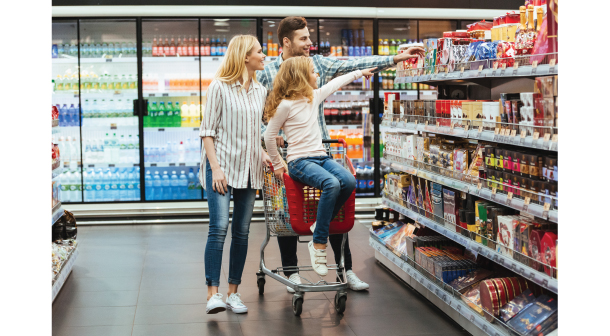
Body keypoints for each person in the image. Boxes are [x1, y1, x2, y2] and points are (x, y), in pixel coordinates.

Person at [258, 16, 424, 291]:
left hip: (322, 148)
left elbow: (352, 65)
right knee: (286, 215)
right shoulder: (269, 71)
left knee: (336, 203)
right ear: (286, 42)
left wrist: (395, 59)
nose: (310, 44)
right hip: (291, 155)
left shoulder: (318, 65)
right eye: (303, 39)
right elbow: (260, 111)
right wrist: (270, 139)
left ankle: (345, 270)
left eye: (310, 38)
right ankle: (292, 273)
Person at [264, 56, 376, 275]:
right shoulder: (285, 105)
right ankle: (319, 243)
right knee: (331, 184)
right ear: (301, 77)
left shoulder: (313, 97)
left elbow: (337, 83)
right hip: (298, 161)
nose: (317, 76)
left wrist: (360, 73)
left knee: (349, 181)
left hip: (321, 157)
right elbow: (269, 136)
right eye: (313, 72)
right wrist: (278, 164)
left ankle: (319, 224)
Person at [199, 35, 271, 315]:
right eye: (259, 52)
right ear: (244, 56)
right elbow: (207, 131)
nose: (264, 56)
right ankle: (213, 294)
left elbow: (255, 132)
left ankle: (234, 293)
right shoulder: (219, 86)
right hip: (222, 167)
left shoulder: (260, 90)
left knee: (242, 232)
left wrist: (263, 152)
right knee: (218, 228)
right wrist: (215, 168)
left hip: (250, 168)